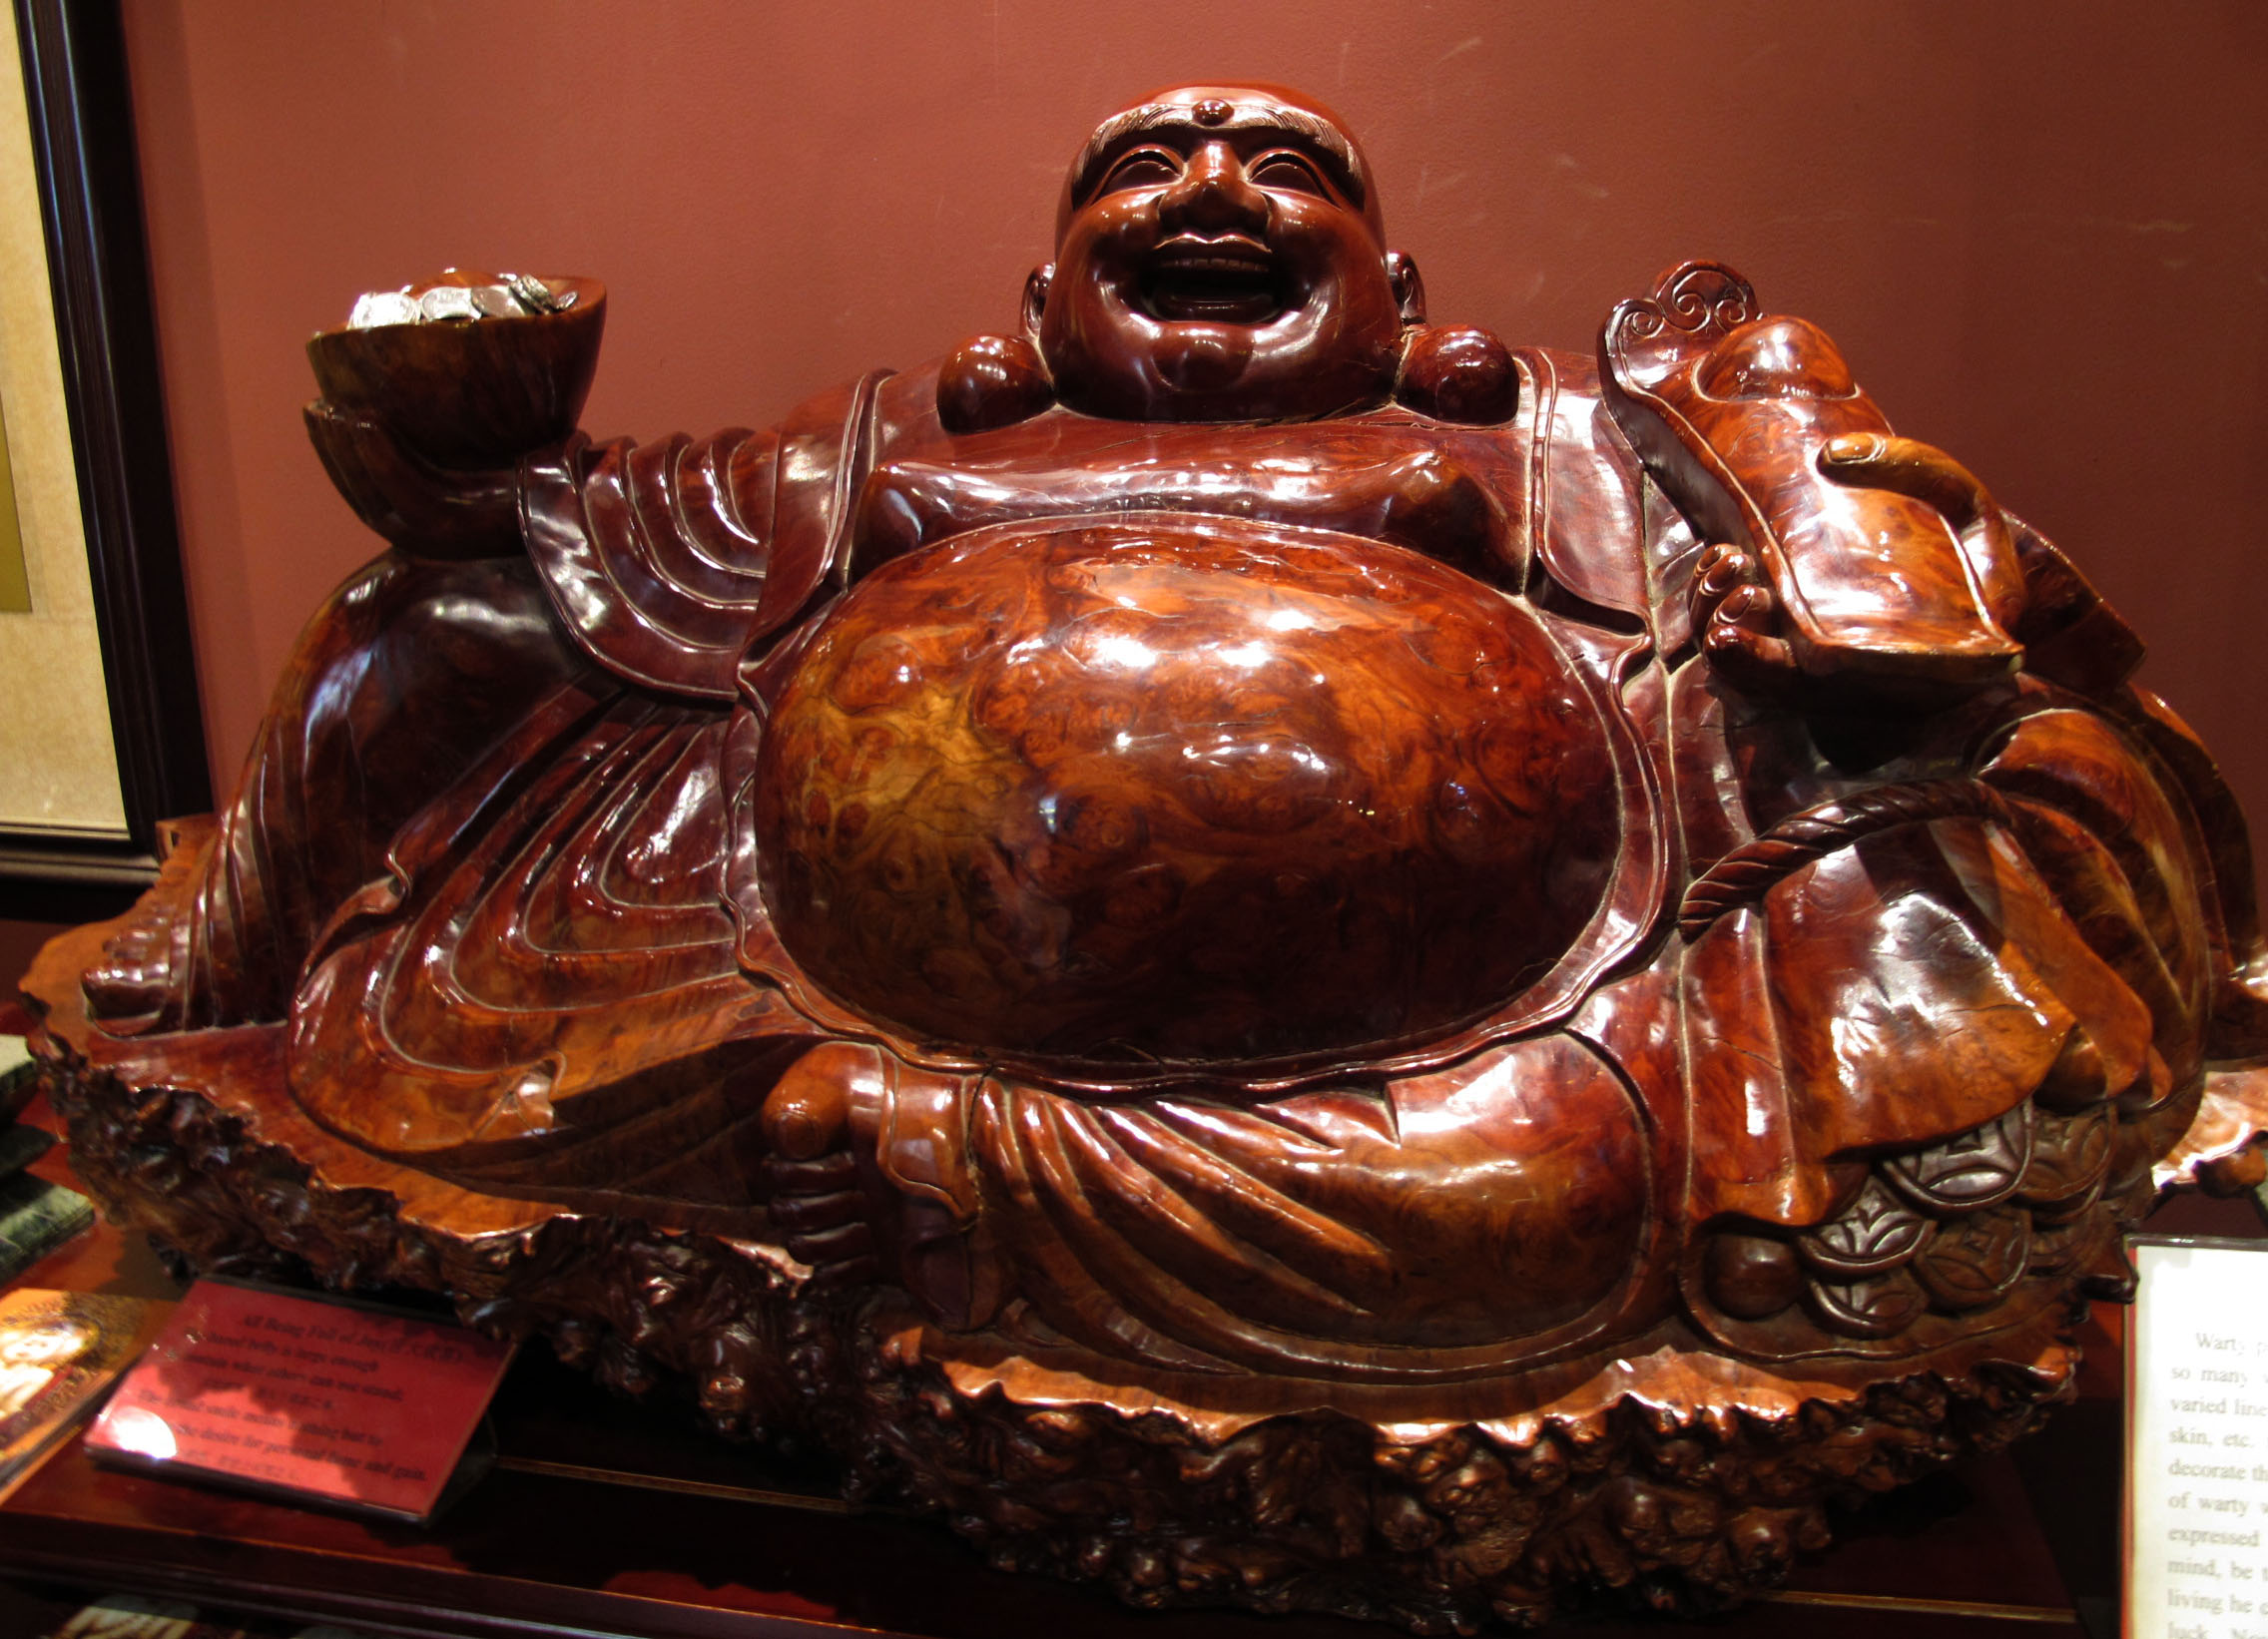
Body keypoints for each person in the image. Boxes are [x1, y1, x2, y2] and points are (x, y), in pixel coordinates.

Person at [76, 85, 2268, 1379]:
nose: (1211, 183)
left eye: (1283, 163)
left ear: (1404, 301)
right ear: (1039, 304)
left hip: (1482, 1023)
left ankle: (973, 1175)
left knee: (1583, 1179)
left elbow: (1898, 609)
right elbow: (557, 557)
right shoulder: (894, 451)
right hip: (798, 955)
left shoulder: (1541, 453)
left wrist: (1810, 528)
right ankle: (230, 949)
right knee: (431, 622)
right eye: (1146, 161)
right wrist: (470, 455)